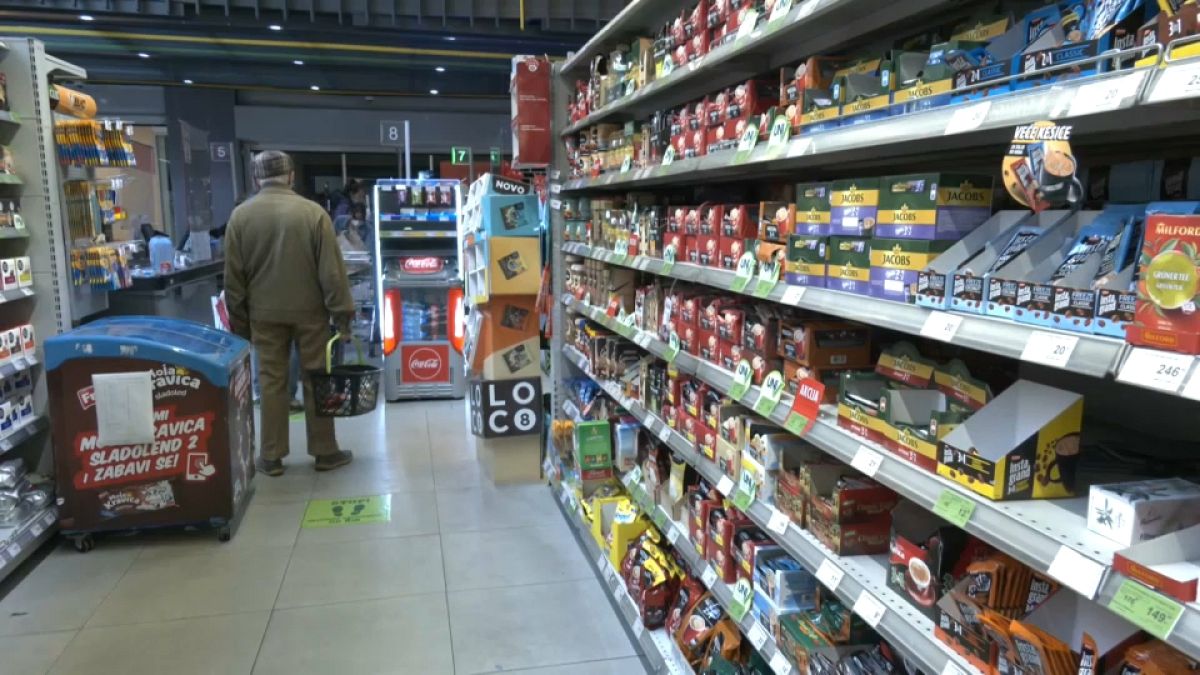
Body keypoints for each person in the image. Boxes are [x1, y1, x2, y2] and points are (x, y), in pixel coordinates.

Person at [224, 150, 355, 476]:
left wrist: (240, 323)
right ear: (291, 176)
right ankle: (325, 451)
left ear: (256, 179)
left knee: (271, 382)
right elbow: (332, 274)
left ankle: (271, 457)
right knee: (316, 379)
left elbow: (233, 279)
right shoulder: (313, 214)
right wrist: (342, 315)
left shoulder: (240, 217)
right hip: (311, 313)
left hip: (263, 314)